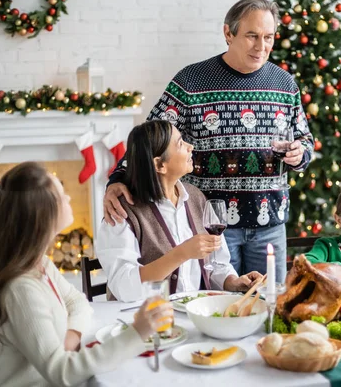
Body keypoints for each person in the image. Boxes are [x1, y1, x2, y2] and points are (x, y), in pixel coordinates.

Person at [102, 0, 314, 283]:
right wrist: (118, 178)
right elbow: (152, 139)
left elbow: (304, 139)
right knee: (212, 308)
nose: (261, 46)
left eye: (268, 37)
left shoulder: (285, 84)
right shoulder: (191, 81)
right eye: (252, 36)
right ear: (229, 33)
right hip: (209, 224)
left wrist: (300, 153)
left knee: (268, 307)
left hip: (269, 223)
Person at [0, 162, 172, 387]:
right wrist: (137, 332)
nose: (70, 198)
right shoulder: (20, 288)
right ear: (44, 216)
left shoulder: (38, 263)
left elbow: (78, 301)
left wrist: (68, 338)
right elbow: (62, 373)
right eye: (63, 194)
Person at [95, 121, 262, 302]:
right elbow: (124, 287)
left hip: (196, 315)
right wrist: (181, 253)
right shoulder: (121, 212)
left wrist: (232, 282)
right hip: (146, 320)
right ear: (159, 165)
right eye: (181, 143)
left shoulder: (196, 197)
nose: (191, 147)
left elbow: (217, 264)